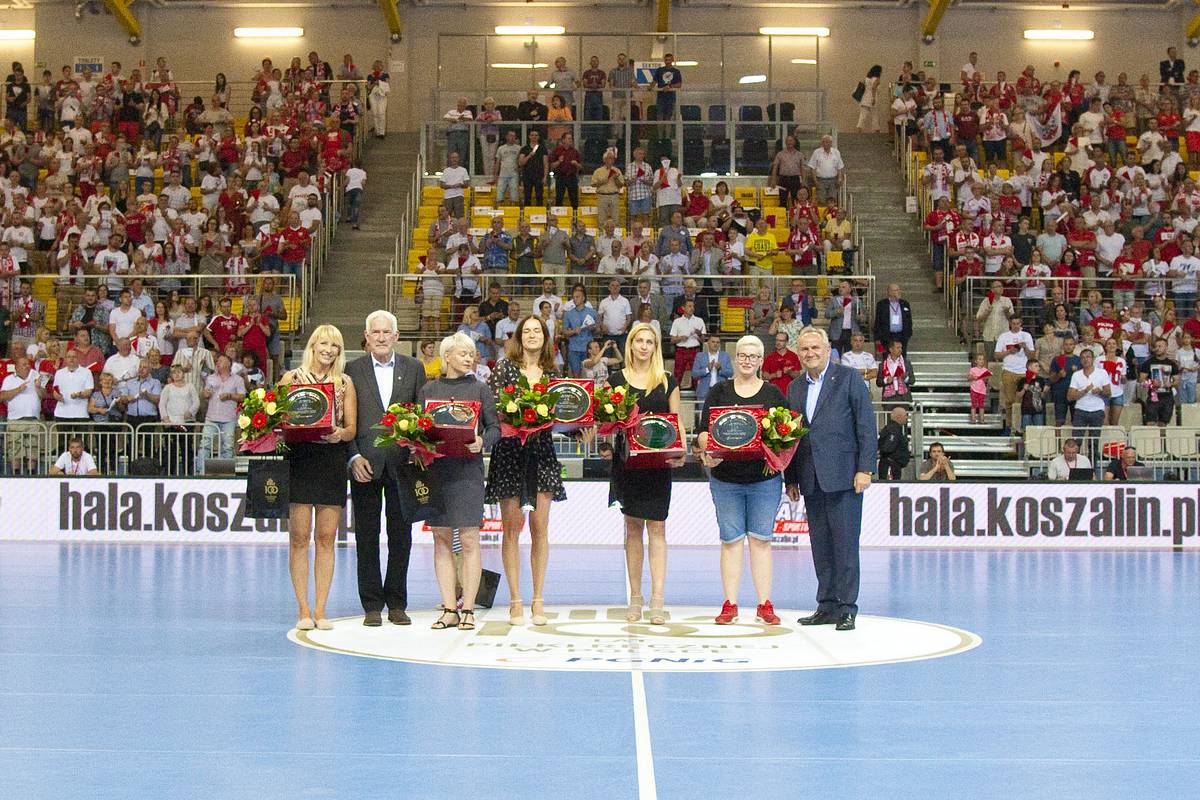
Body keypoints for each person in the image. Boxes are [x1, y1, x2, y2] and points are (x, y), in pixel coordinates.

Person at [785, 326, 877, 631]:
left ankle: (847, 607)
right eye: (804, 349)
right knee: (821, 546)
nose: (810, 353)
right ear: (798, 353)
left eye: (815, 348)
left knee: (846, 545)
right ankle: (826, 605)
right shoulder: (795, 388)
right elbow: (791, 437)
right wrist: (791, 478)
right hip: (810, 478)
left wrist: (865, 469)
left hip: (845, 477)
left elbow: (866, 426)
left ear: (828, 351)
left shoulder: (849, 378)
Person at [697, 335, 786, 626]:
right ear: (735, 359)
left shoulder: (773, 394)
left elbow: (786, 435)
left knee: (761, 541)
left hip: (764, 481)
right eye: (743, 356)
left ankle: (764, 604)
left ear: (761, 361)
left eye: (753, 356)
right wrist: (708, 451)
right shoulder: (719, 391)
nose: (747, 361)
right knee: (731, 541)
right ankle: (730, 604)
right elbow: (703, 432)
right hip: (726, 480)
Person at [346, 310, 427, 627]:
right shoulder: (352, 370)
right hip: (364, 466)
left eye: (386, 332)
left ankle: (396, 603)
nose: (381, 337)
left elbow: (422, 416)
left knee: (401, 537)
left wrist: (417, 452)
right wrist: (353, 457)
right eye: (375, 332)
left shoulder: (414, 368)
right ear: (366, 337)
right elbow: (344, 420)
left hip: (403, 465)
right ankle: (371, 605)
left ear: (396, 336)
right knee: (366, 537)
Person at [418, 332, 501, 631]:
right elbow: (418, 429)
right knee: (440, 539)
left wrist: (482, 441)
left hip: (468, 472)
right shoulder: (428, 390)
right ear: (447, 356)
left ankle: (468, 609)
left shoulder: (480, 389)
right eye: (463, 353)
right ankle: (449, 608)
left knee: (469, 539)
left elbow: (495, 428)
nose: (469, 357)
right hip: (437, 471)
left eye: (471, 353)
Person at [487, 315, 566, 627]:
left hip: (542, 452)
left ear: (545, 337)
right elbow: (494, 409)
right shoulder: (503, 368)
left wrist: (581, 430)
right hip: (509, 452)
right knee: (511, 528)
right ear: (519, 337)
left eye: (538, 331)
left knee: (539, 529)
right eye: (527, 331)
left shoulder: (553, 373)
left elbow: (566, 414)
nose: (532, 335)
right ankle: (515, 600)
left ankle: (538, 599)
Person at [280, 326, 357, 632]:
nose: (329, 349)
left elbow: (351, 428)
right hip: (300, 459)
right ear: (312, 346)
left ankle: (321, 610)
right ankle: (303, 609)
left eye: (335, 345)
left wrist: (340, 434)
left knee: (326, 538)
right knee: (299, 538)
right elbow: (277, 421)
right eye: (324, 343)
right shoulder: (291, 379)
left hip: (331, 461)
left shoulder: (344, 383)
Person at [607, 323, 684, 626]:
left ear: (655, 347)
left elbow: (676, 421)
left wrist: (680, 451)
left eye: (649, 342)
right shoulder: (615, 380)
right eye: (638, 340)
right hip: (627, 464)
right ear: (630, 344)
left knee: (658, 528)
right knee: (632, 528)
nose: (643, 346)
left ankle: (658, 599)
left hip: (658, 464)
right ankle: (636, 597)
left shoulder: (667, 381)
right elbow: (608, 422)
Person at [197, 353, 244, 474]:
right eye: (217, 361)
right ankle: (201, 473)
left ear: (228, 364)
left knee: (227, 447)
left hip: (228, 418)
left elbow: (242, 396)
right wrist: (205, 394)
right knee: (205, 445)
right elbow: (205, 393)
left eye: (220, 361)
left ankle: (225, 474)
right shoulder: (210, 378)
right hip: (211, 417)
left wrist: (230, 395)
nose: (217, 363)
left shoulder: (238, 379)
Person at [1067, 348, 1112, 465]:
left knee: (1094, 443)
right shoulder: (1076, 375)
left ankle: (1092, 469)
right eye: (1083, 357)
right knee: (1076, 442)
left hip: (1097, 411)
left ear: (1093, 359)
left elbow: (1108, 393)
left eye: (1088, 357)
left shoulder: (1102, 373)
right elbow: (1070, 396)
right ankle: (1075, 468)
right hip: (1080, 410)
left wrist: (1100, 392)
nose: (1085, 359)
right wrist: (1085, 391)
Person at [692, 333, 732, 407]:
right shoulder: (700, 356)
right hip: (704, 391)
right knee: (703, 412)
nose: (715, 344)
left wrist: (720, 369)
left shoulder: (725, 356)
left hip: (721, 391)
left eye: (717, 342)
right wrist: (707, 369)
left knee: (719, 413)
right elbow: (694, 374)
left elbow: (730, 373)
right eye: (713, 342)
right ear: (708, 343)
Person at [873, 283, 912, 354]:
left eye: (897, 290)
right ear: (888, 291)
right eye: (893, 290)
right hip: (887, 335)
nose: (895, 292)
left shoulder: (905, 303)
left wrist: (908, 333)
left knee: (901, 356)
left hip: (901, 335)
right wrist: (877, 337)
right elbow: (878, 321)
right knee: (887, 355)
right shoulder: (881, 304)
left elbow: (909, 320)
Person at [876, 405, 910, 479]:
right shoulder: (893, 430)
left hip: (893, 465)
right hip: (890, 466)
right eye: (905, 415)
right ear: (899, 417)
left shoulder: (894, 428)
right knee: (890, 484)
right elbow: (888, 447)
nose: (907, 418)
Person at [968, 352, 992, 425]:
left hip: (982, 390)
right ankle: (973, 419)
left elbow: (986, 380)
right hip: (974, 389)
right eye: (979, 359)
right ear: (976, 361)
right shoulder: (973, 369)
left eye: (982, 359)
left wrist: (986, 377)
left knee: (981, 405)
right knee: (974, 405)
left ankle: (982, 420)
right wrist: (973, 377)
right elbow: (968, 378)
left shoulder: (985, 370)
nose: (981, 361)